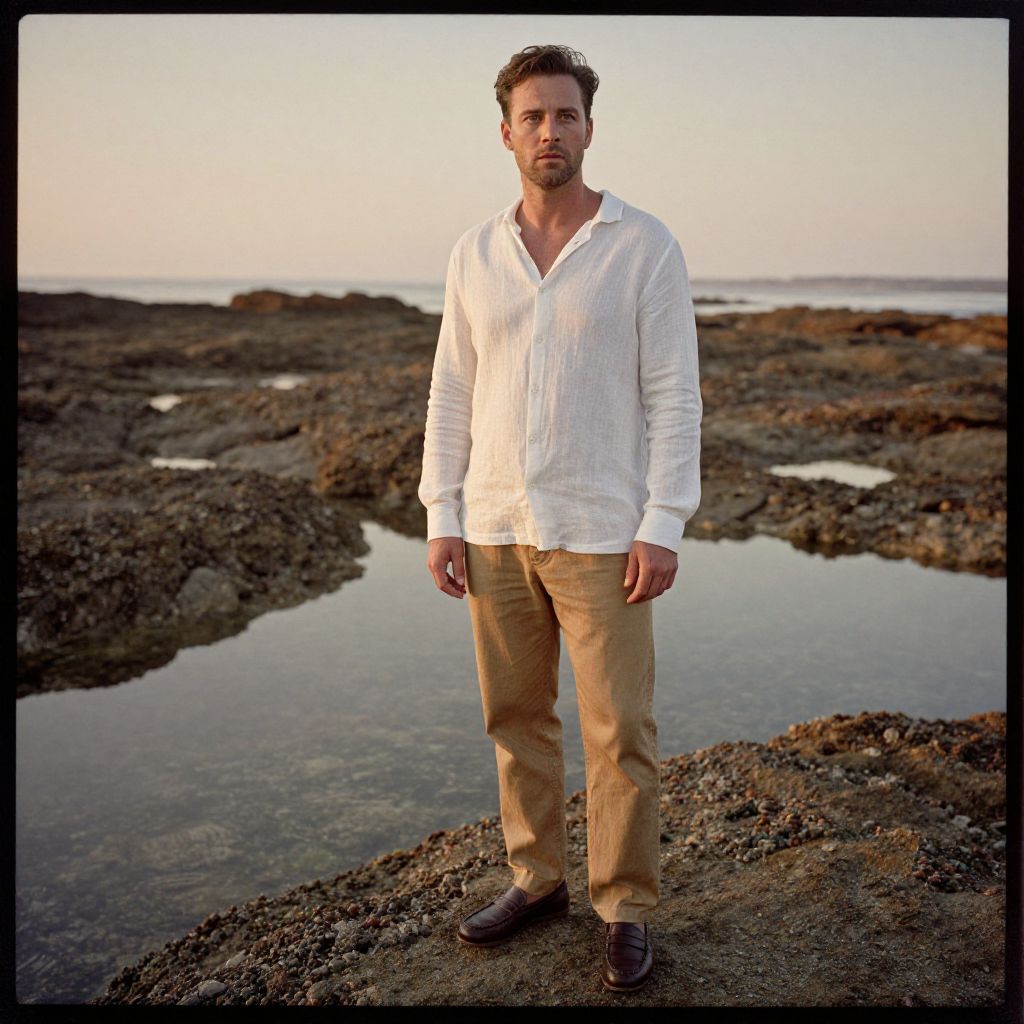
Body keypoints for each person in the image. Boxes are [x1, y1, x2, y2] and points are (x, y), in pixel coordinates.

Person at [417, 43, 703, 994]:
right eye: (533, 117)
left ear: (589, 128)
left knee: (619, 729)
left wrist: (664, 521)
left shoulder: (644, 246)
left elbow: (675, 396)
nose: (550, 131)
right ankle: (536, 880)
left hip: (604, 534)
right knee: (514, 715)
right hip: (494, 524)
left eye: (565, 115)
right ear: (506, 133)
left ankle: (624, 906)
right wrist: (442, 511)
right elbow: (451, 391)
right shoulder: (474, 253)